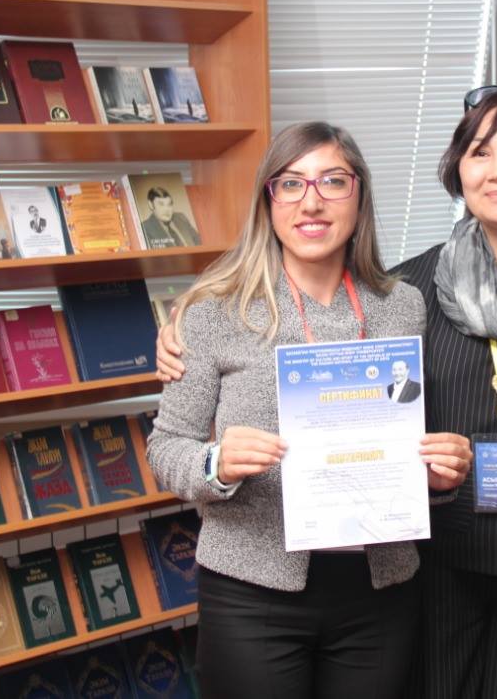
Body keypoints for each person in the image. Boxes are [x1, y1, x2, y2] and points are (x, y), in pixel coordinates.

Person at [157, 83, 497, 697]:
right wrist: (181, 331)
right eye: (480, 153)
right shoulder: (419, 288)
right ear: (459, 173)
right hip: (443, 573)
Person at [146, 121, 473, 699]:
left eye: (333, 181)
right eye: (291, 184)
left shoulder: (404, 306)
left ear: (359, 196)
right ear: (268, 201)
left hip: (381, 590)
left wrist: (437, 478)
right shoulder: (212, 311)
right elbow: (166, 448)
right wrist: (215, 464)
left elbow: (403, 437)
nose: (312, 202)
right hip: (252, 592)